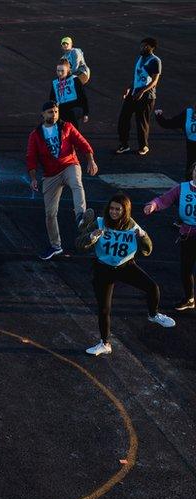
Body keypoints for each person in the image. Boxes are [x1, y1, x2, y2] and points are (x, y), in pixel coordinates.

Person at [76, 193, 175, 356]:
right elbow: (79, 244)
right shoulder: (100, 222)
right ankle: (105, 343)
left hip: (125, 266)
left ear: (125, 211)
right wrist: (91, 237)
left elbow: (148, 250)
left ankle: (153, 314)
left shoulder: (133, 226)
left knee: (153, 287)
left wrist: (143, 237)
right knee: (104, 308)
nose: (113, 212)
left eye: (118, 210)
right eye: (112, 209)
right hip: (103, 268)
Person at [26, 101, 98, 261]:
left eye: (56, 112)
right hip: (50, 174)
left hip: (69, 164)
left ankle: (81, 217)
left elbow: (83, 143)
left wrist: (91, 160)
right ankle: (55, 246)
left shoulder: (67, 127)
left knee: (77, 184)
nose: (54, 115)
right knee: (50, 213)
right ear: (43, 114)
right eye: (50, 112)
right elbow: (31, 157)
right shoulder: (35, 135)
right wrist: (32, 178)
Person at [143, 165, 196, 311]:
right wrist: (153, 205)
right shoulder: (182, 188)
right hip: (187, 234)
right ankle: (189, 298)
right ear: (192, 172)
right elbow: (165, 199)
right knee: (186, 269)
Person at [116, 38, 161, 156]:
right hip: (133, 93)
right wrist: (129, 88)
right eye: (141, 46)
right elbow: (137, 77)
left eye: (145, 46)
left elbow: (154, 81)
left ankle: (143, 146)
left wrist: (142, 92)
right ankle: (124, 144)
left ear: (152, 47)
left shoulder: (155, 61)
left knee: (141, 121)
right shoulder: (140, 58)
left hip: (147, 96)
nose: (142, 48)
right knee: (123, 118)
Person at [154, 104, 196, 178]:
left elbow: (168, 124)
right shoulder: (187, 114)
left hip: (191, 155)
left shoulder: (188, 114)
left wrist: (159, 117)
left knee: (191, 173)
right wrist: (160, 117)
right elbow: (168, 124)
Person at [48, 59, 89, 128]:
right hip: (62, 107)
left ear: (68, 70)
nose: (60, 73)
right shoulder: (55, 83)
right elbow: (52, 98)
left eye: (62, 71)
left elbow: (83, 96)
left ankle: (75, 135)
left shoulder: (74, 79)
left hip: (76, 107)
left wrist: (86, 113)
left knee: (70, 114)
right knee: (56, 116)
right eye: (58, 71)